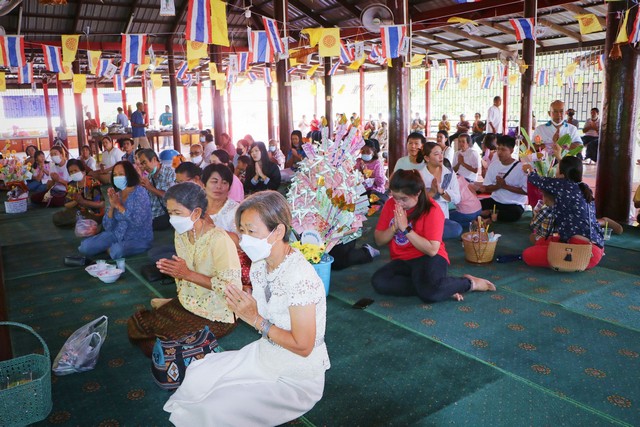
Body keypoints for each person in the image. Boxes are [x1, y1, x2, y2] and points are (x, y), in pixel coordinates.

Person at [164, 191, 330, 426]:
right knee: (199, 374)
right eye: (242, 230)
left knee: (215, 409)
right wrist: (244, 304)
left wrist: (255, 319)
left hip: (294, 376)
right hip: (266, 353)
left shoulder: (299, 277)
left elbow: (303, 347)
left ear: (279, 232)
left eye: (251, 231)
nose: (243, 239)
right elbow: (260, 309)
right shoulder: (261, 265)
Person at [127, 182, 242, 357]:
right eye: (170, 213)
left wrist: (186, 274)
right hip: (189, 301)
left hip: (218, 312)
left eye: (177, 213)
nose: (172, 219)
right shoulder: (181, 233)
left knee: (161, 346)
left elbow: (231, 288)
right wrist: (175, 272)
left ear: (196, 212)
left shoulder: (220, 239)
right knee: (138, 324)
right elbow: (184, 273)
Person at [371, 170, 496, 303]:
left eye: (404, 199)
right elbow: (379, 240)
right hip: (402, 259)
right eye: (395, 197)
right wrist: (394, 227)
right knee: (379, 282)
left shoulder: (432, 209)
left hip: (429, 257)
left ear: (418, 193)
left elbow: (432, 250)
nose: (399, 203)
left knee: (429, 294)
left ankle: (469, 283)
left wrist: (405, 228)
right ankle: (444, 287)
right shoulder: (391, 205)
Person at [522, 155, 604, 270]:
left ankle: (564, 260)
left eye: (557, 168)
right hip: (593, 246)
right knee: (541, 242)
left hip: (584, 253)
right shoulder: (583, 187)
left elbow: (536, 179)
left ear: (562, 173)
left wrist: (528, 169)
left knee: (528, 255)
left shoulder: (562, 184)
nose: (555, 172)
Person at [79, 161, 153, 259]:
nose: (117, 177)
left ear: (130, 175)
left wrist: (119, 206)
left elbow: (138, 222)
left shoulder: (140, 193)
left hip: (138, 238)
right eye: (115, 175)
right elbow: (108, 226)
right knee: (85, 247)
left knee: (117, 251)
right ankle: (109, 249)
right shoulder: (118, 194)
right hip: (117, 234)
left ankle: (110, 249)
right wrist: (112, 206)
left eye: (121, 174)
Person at [203, 163, 252, 291]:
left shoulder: (235, 210)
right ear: (204, 184)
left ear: (229, 187)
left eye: (224, 183)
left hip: (227, 260)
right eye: (214, 181)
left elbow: (241, 243)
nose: (219, 186)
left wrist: (213, 228)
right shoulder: (198, 207)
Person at [476, 136, 528, 222]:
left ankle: (490, 214)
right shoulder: (493, 165)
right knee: (475, 205)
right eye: (498, 149)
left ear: (511, 150)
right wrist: (497, 186)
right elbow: (486, 187)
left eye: (503, 150)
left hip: (513, 204)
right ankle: (493, 215)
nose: (499, 152)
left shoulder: (521, 168)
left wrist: (505, 186)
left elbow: (525, 191)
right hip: (495, 200)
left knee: (514, 214)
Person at [422, 142, 462, 239]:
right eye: (436, 154)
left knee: (457, 229)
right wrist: (431, 192)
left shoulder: (449, 173)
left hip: (442, 217)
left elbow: (457, 199)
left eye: (441, 153)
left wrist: (442, 192)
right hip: (424, 216)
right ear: (427, 158)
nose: (441, 156)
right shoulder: (420, 175)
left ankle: (425, 235)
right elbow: (416, 201)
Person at [52, 159, 104, 228]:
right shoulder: (71, 185)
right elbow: (67, 204)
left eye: (75, 171)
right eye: (71, 172)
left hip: (93, 213)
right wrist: (76, 201)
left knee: (80, 218)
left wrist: (83, 202)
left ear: (84, 172)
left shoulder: (93, 182)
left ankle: (81, 222)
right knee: (57, 217)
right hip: (78, 211)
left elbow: (101, 204)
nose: (73, 173)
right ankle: (80, 221)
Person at [137, 148, 176, 230]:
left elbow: (170, 196)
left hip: (162, 215)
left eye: (144, 163)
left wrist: (150, 187)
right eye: (141, 164)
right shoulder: (149, 176)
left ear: (154, 159)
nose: (143, 167)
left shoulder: (170, 173)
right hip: (149, 214)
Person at [355, 139, 387, 204]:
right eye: (363, 151)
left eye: (367, 151)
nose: (365, 153)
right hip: (360, 190)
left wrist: (367, 175)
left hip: (374, 191)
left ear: (373, 151)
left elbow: (380, 183)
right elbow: (354, 176)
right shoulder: (358, 161)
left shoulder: (377, 164)